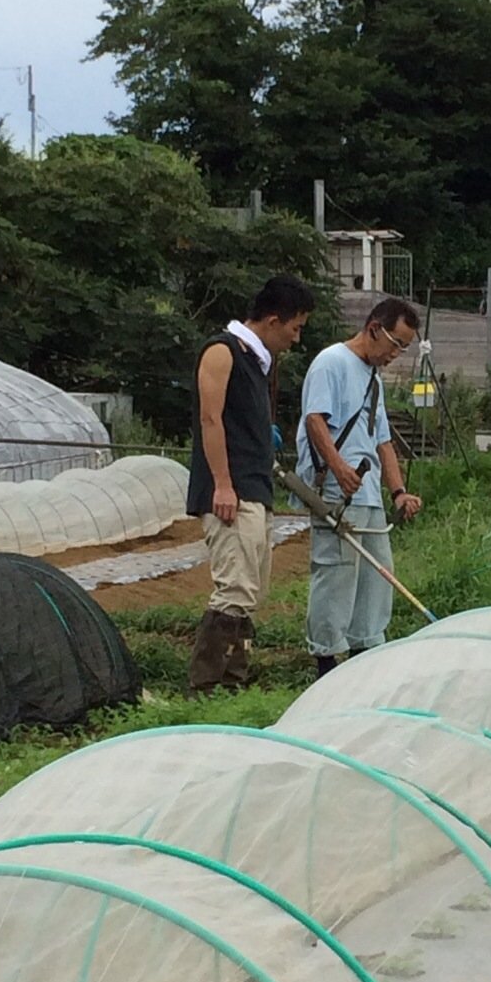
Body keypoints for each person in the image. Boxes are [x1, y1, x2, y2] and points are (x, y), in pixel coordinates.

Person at [186, 274, 315, 693]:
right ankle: (206, 685)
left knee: (250, 591)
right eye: (295, 329)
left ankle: (233, 681)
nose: (296, 339)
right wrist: (223, 484)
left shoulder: (257, 362)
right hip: (232, 492)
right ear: (274, 320)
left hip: (256, 489)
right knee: (234, 588)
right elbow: (211, 419)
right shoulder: (223, 351)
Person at [295, 298, 422, 678]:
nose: (396, 354)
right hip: (335, 492)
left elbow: (382, 441)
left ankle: (366, 657)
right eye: (395, 344)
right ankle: (327, 664)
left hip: (366, 495)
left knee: (376, 576)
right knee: (335, 575)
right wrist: (338, 466)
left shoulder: (374, 380)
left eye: (404, 348)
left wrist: (398, 491)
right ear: (373, 329)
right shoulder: (331, 362)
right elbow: (315, 418)